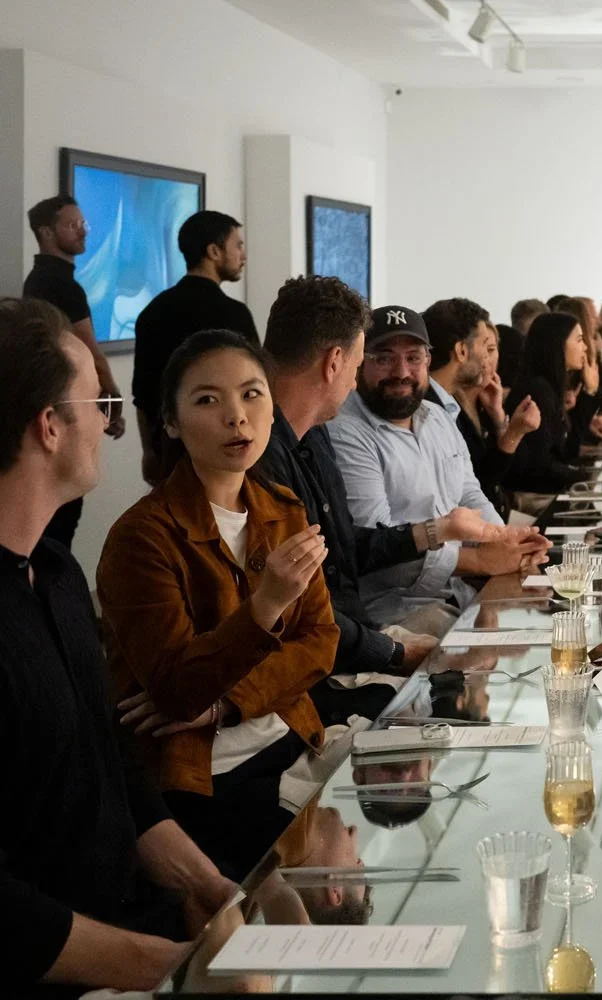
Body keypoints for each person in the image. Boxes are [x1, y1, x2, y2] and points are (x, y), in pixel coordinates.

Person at [0, 298, 237, 992]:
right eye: (99, 402)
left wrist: (207, 883)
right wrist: (158, 967)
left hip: (126, 926)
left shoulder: (60, 572)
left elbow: (107, 760)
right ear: (49, 427)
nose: (109, 424)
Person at [97, 330, 339, 879]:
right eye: (208, 400)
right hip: (206, 779)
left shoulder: (281, 507)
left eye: (252, 394)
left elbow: (321, 643)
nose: (237, 416)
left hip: (290, 741)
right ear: (172, 422)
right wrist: (266, 605)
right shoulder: (142, 537)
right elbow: (179, 691)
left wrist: (226, 704)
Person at [258, 279, 514, 712]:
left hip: (350, 639)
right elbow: (302, 605)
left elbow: (348, 550)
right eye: (367, 361)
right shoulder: (286, 448)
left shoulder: (313, 438)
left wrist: (490, 539)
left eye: (413, 358)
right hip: (322, 664)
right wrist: (392, 652)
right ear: (337, 362)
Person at [327, 306, 550, 628]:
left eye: (414, 357)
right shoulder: (345, 430)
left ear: (428, 361)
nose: (401, 371)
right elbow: (378, 549)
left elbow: (470, 494)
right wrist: (480, 561)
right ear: (360, 362)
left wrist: (509, 541)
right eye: (384, 357)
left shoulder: (437, 416)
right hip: (392, 612)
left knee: (553, 626)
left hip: (456, 591)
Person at [22, 195, 128, 549]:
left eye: (84, 223)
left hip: (52, 409)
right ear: (46, 232)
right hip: (66, 411)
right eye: (73, 224)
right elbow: (90, 353)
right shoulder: (59, 284)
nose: (83, 231)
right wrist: (111, 401)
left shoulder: (39, 280)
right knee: (60, 524)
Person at [133, 210, 258, 486]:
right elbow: (254, 390)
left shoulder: (152, 312)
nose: (243, 255)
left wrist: (149, 453)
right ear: (214, 251)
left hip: (170, 450)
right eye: (237, 245)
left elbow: (143, 395)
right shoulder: (234, 315)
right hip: (227, 448)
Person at [423, 297, 542, 513]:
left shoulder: (448, 403)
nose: (488, 359)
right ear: (461, 351)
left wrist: (500, 421)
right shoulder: (428, 408)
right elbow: (475, 487)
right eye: (485, 348)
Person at [504, 311, 592, 497]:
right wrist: (589, 478)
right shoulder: (538, 390)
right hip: (532, 497)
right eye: (578, 340)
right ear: (557, 345)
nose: (585, 347)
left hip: (549, 489)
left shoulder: (549, 388)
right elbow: (541, 467)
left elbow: (567, 452)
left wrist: (587, 397)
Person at [554, 295, 602, 441]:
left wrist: (593, 419)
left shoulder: (589, 354)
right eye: (592, 315)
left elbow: (589, 415)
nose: (598, 320)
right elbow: (575, 428)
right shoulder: (571, 366)